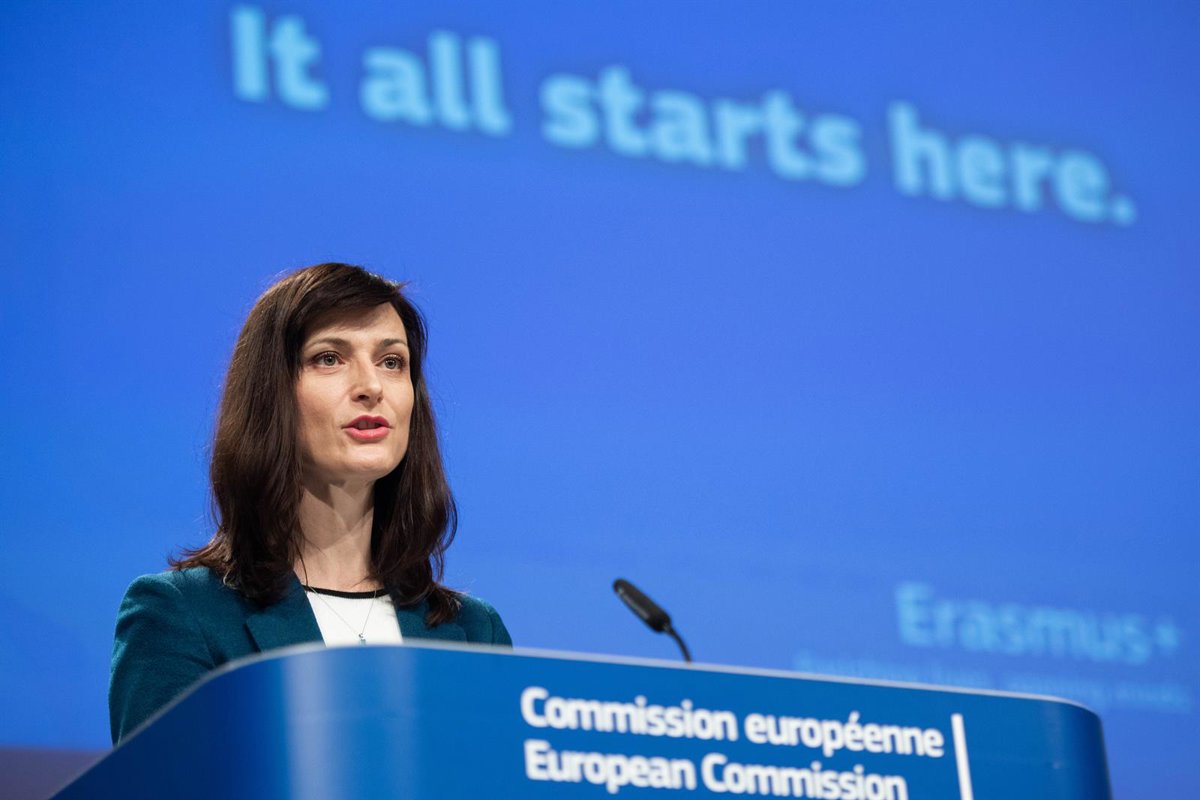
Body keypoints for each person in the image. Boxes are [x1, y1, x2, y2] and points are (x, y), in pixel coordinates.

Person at [108, 263, 510, 744]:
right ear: (270, 394)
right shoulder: (182, 616)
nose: (371, 386)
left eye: (391, 362)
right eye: (329, 358)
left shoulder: (473, 632)